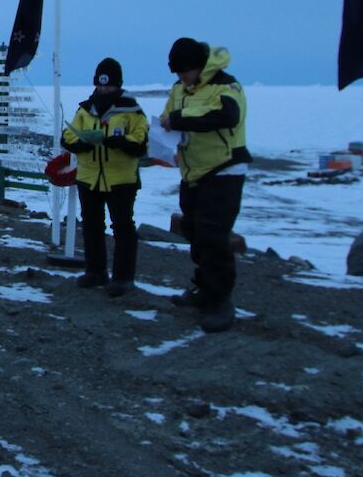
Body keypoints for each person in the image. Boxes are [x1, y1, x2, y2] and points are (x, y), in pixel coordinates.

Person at [161, 38, 250, 333]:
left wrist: (178, 119)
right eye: (177, 72)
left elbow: (226, 116)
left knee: (214, 234)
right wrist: (164, 128)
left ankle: (220, 300)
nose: (181, 77)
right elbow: (168, 119)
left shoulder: (227, 87)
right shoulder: (179, 90)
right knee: (196, 232)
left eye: (185, 71)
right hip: (192, 172)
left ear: (199, 66)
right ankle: (204, 287)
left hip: (224, 168)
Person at [58, 58, 148, 298]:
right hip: (89, 177)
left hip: (121, 179)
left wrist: (119, 141)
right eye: (100, 84)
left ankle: (123, 277)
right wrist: (82, 143)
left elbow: (141, 142)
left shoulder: (132, 110)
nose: (104, 89)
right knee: (91, 226)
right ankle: (95, 271)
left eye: (108, 85)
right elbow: (67, 136)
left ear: (118, 84)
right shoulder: (85, 109)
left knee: (122, 227)